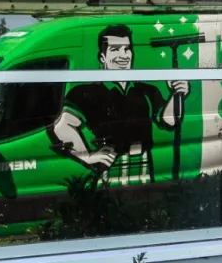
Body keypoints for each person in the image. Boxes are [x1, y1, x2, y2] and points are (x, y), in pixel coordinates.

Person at [49, 24, 188, 186]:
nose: (123, 55)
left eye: (126, 49)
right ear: (102, 58)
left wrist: (176, 94)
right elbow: (62, 126)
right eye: (115, 50)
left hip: (143, 168)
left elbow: (169, 121)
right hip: (108, 171)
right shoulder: (87, 93)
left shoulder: (147, 91)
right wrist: (87, 156)